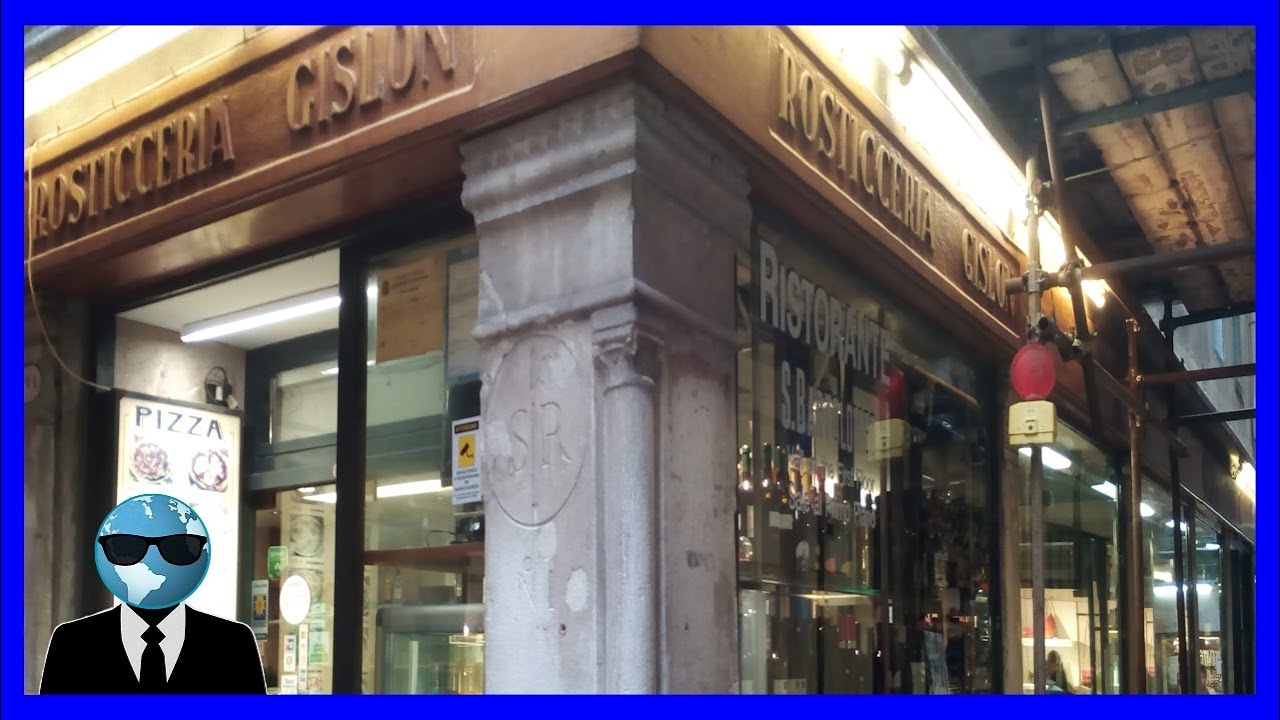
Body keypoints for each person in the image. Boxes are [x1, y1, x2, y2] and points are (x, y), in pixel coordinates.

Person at [41, 494, 267, 694]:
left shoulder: (234, 645)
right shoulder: (72, 643)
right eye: (126, 547)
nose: (153, 560)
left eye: (178, 548)